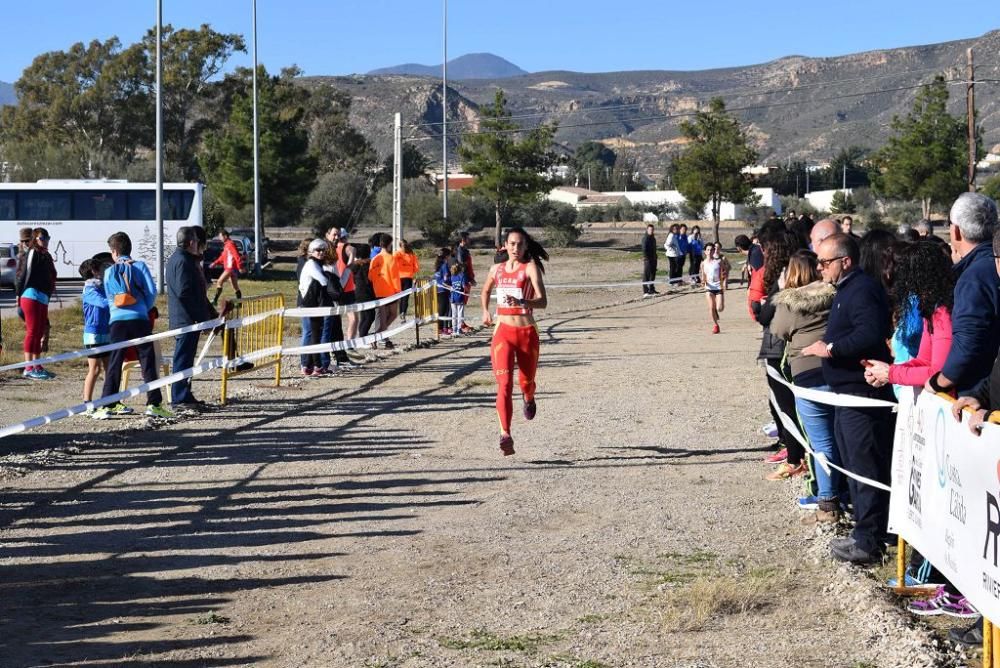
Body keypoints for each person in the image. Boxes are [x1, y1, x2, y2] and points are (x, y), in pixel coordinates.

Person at [802, 233, 894, 564]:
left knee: (865, 466)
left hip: (861, 394)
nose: (820, 268)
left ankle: (870, 542)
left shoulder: (862, 290)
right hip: (845, 394)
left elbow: (869, 333)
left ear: (846, 261)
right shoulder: (845, 290)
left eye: (825, 262)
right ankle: (864, 531)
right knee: (854, 466)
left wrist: (830, 348)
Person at [770, 250, 841, 523]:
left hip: (807, 375)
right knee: (841, 437)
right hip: (838, 370)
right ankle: (841, 492)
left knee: (820, 442)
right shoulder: (836, 295)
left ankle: (826, 500)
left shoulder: (791, 303)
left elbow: (778, 331)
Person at [480, 227, 548, 456]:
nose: (516, 248)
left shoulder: (530, 268)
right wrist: (485, 312)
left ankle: (529, 398)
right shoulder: (496, 269)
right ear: (505, 246)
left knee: (526, 382)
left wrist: (525, 300)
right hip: (503, 333)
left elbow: (543, 301)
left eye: (520, 244)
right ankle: (505, 434)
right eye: (512, 244)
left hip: (527, 332)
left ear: (525, 246)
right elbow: (485, 290)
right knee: (504, 384)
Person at [925, 193, 1000, 397]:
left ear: (956, 230)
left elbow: (968, 342)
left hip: (979, 394)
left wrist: (940, 381)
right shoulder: (991, 265)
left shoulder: (973, 277)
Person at [93, 232, 173, 419]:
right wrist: (142, 308)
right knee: (147, 361)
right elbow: (152, 292)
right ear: (130, 249)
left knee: (115, 362)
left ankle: (107, 404)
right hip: (139, 319)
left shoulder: (109, 271)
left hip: (117, 321)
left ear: (114, 251)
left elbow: (109, 297)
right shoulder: (139, 266)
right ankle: (153, 404)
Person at [754, 228, 808, 481]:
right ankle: (796, 454)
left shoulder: (785, 278)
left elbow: (765, 315)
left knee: (786, 406)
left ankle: (795, 458)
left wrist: (763, 304)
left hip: (779, 348)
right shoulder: (804, 272)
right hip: (790, 346)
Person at [166, 226, 216, 409]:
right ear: (192, 243)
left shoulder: (179, 259)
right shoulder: (183, 261)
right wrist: (200, 318)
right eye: (196, 240)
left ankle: (185, 393)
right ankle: (179, 397)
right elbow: (184, 292)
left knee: (186, 359)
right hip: (185, 320)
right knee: (182, 359)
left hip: (186, 319)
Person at [14, 227, 57, 379]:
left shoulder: (47, 256)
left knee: (39, 331)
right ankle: (28, 367)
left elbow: (51, 277)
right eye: (42, 238)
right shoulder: (32, 253)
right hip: (30, 295)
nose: (45, 241)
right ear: (35, 240)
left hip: (43, 297)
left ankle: (37, 365)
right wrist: (19, 295)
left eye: (47, 238)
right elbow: (25, 274)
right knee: (32, 331)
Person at [298, 239, 333, 376]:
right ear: (312, 251)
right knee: (310, 335)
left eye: (323, 250)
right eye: (318, 250)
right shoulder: (311, 264)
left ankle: (314, 365)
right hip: (309, 305)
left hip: (315, 305)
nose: (321, 253)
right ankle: (306, 365)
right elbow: (324, 281)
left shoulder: (318, 264)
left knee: (315, 335)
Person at [80, 258, 111, 409]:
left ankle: (110, 401)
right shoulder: (90, 290)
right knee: (95, 369)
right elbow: (104, 303)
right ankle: (87, 402)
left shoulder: (102, 287)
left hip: (106, 331)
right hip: (93, 333)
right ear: (94, 271)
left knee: (109, 368)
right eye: (102, 268)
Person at [369, 233, 401, 349]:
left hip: (378, 291)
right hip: (390, 292)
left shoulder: (375, 259)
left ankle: (377, 335)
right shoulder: (391, 258)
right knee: (392, 314)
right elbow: (395, 277)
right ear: (389, 244)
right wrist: (398, 292)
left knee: (382, 317)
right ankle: (378, 336)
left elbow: (370, 276)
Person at [335, 229, 359, 342]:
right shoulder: (348, 248)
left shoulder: (330, 249)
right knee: (353, 318)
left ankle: (335, 344)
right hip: (348, 288)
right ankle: (349, 343)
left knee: (335, 319)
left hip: (335, 287)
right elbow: (352, 251)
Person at [210, 229, 244, 306]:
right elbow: (222, 257)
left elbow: (236, 256)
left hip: (230, 268)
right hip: (232, 268)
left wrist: (240, 267)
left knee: (219, 282)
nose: (220, 238)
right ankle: (239, 304)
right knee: (235, 287)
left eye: (220, 236)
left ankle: (215, 301)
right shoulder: (227, 245)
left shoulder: (230, 244)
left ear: (225, 236)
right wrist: (215, 263)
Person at [700, 242, 727, 333]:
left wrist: (724, 280)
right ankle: (716, 325)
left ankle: (716, 310)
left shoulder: (718, 261)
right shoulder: (703, 263)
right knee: (711, 307)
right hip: (709, 287)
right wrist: (703, 281)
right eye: (708, 250)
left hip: (718, 286)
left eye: (711, 250)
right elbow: (703, 275)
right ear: (705, 252)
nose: (710, 251)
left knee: (720, 308)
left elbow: (724, 271)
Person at [455, 232, 476, 332]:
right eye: (468, 238)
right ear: (463, 240)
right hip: (463, 280)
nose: (469, 240)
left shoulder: (465, 250)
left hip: (467, 279)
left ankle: (462, 323)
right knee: (461, 302)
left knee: (463, 302)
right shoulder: (460, 251)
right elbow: (462, 267)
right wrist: (466, 280)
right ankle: (460, 325)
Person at [394, 239, 420, 320]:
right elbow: (416, 268)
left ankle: (401, 312)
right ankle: (403, 313)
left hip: (399, 278)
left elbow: (392, 261)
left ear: (400, 246)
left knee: (401, 297)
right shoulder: (412, 255)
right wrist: (410, 271)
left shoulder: (397, 254)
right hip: (408, 278)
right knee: (405, 297)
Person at [434, 248, 453, 335]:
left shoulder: (437, 265)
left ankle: (440, 327)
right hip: (443, 289)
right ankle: (441, 328)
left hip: (437, 289)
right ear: (446, 256)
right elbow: (445, 279)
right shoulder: (444, 265)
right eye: (449, 255)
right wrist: (451, 283)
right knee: (444, 309)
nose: (450, 257)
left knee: (441, 309)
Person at [449, 260, 467, 334]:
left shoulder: (452, 276)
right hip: (460, 297)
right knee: (460, 313)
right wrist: (465, 290)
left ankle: (454, 329)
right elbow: (464, 286)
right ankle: (459, 329)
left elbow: (451, 285)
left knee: (454, 314)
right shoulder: (462, 275)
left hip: (453, 297)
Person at [641, 223, 658, 297]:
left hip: (654, 259)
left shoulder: (653, 238)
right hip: (648, 259)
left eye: (652, 229)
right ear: (647, 230)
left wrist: (655, 256)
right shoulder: (645, 238)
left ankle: (651, 289)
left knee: (652, 275)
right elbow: (644, 249)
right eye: (650, 229)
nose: (651, 231)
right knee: (646, 275)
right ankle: (645, 291)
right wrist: (646, 257)